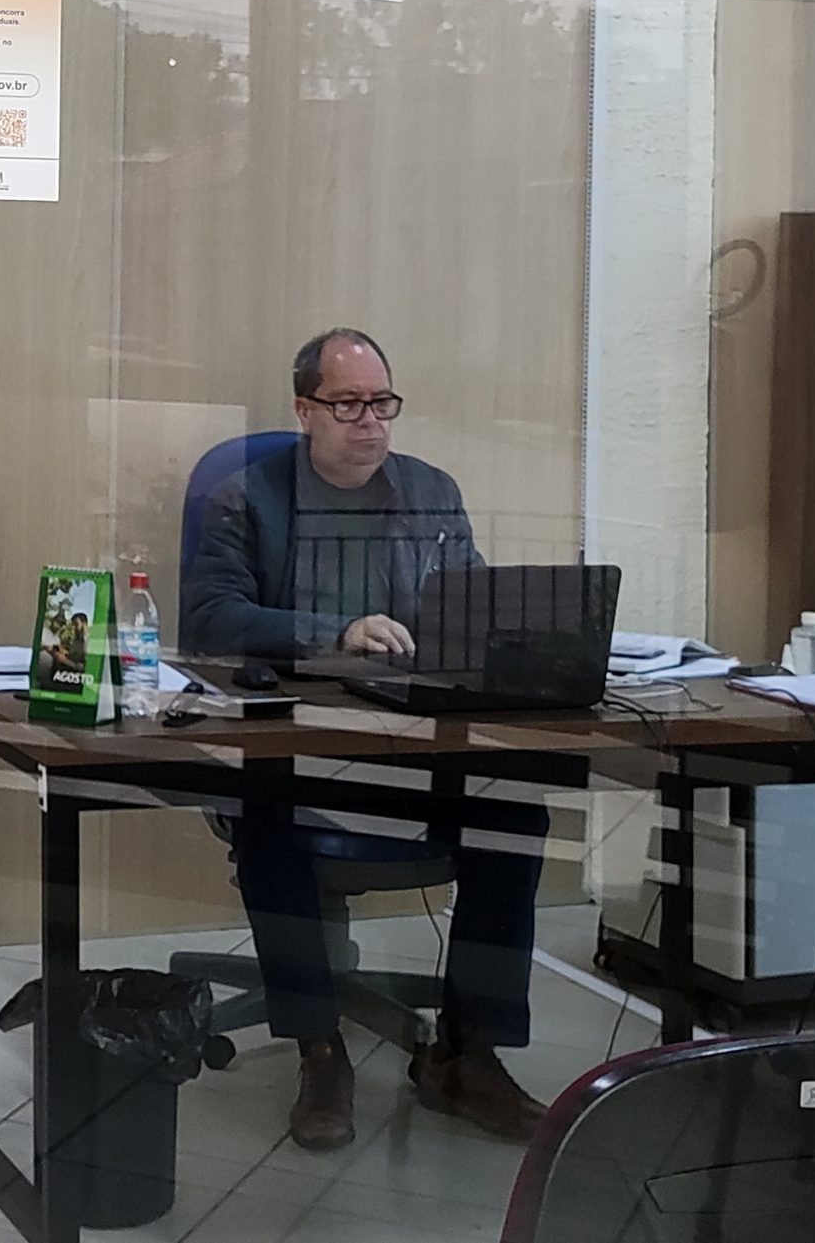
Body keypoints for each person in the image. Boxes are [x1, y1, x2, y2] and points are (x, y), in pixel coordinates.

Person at [182, 328, 549, 1153]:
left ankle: (467, 1055)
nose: (371, 421)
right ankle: (319, 1048)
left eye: (382, 402)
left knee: (514, 813)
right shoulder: (248, 498)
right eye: (348, 404)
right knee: (268, 815)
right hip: (296, 747)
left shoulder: (431, 492)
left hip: (413, 744)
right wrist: (336, 631)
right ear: (304, 409)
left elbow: (471, 611)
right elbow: (209, 618)